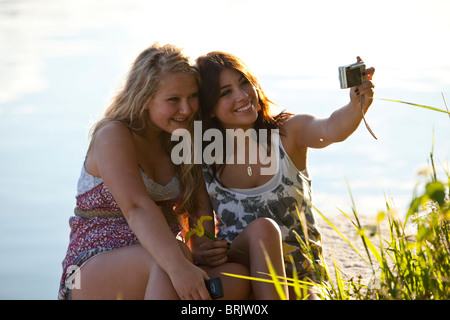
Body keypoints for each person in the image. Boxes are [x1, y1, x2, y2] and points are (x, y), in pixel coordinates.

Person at [58, 43, 250, 300]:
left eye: (192, 96)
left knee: (239, 278)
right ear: (145, 98)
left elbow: (199, 214)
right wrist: (180, 266)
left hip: (167, 259)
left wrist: (201, 247)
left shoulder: (183, 138)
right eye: (173, 100)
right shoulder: (114, 135)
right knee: (168, 265)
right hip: (89, 267)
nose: (186, 109)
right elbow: (136, 207)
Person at [195, 51, 375, 299]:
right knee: (263, 230)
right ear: (210, 108)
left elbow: (332, 128)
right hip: (241, 267)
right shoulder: (206, 161)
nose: (242, 95)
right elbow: (201, 238)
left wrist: (356, 105)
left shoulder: (289, 134)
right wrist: (203, 251)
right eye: (225, 92)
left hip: (301, 276)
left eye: (244, 82)